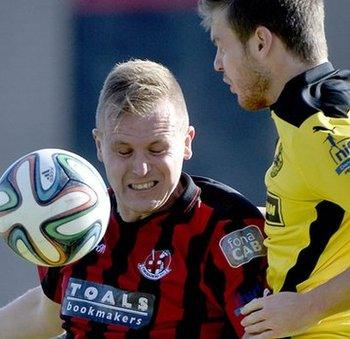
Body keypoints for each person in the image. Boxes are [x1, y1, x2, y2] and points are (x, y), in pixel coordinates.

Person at [0, 59, 267, 338]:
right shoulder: (70, 220)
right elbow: (46, 313)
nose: (140, 169)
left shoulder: (226, 229)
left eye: (156, 149)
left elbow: (263, 333)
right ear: (99, 146)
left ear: (186, 142)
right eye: (124, 151)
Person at [198, 0, 350, 338]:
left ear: (261, 42)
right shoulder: (318, 104)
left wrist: (309, 307)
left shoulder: (317, 127)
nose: (217, 64)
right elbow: (323, 218)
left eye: (222, 46)